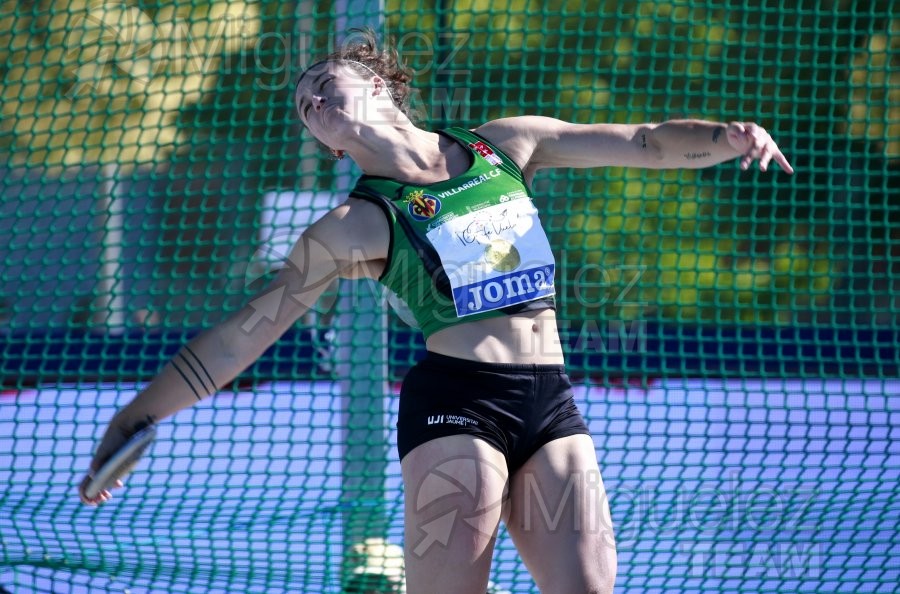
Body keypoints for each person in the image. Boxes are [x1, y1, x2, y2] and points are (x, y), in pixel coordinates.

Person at [79, 29, 793, 594]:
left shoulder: (505, 144)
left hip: (550, 400)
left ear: (385, 85)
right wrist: (134, 416)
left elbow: (643, 142)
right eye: (307, 107)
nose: (316, 101)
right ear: (327, 144)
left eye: (327, 85)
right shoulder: (350, 225)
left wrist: (728, 137)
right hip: (457, 404)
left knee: (588, 585)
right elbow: (239, 339)